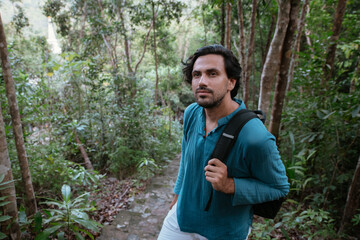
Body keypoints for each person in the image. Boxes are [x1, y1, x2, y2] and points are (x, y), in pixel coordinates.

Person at [158, 44, 289, 240]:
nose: (202, 81)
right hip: (180, 220)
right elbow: (186, 156)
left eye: (212, 74)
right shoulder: (192, 112)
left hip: (224, 232)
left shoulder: (255, 137)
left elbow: (279, 188)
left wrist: (229, 185)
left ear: (231, 83)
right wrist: (177, 194)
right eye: (196, 75)